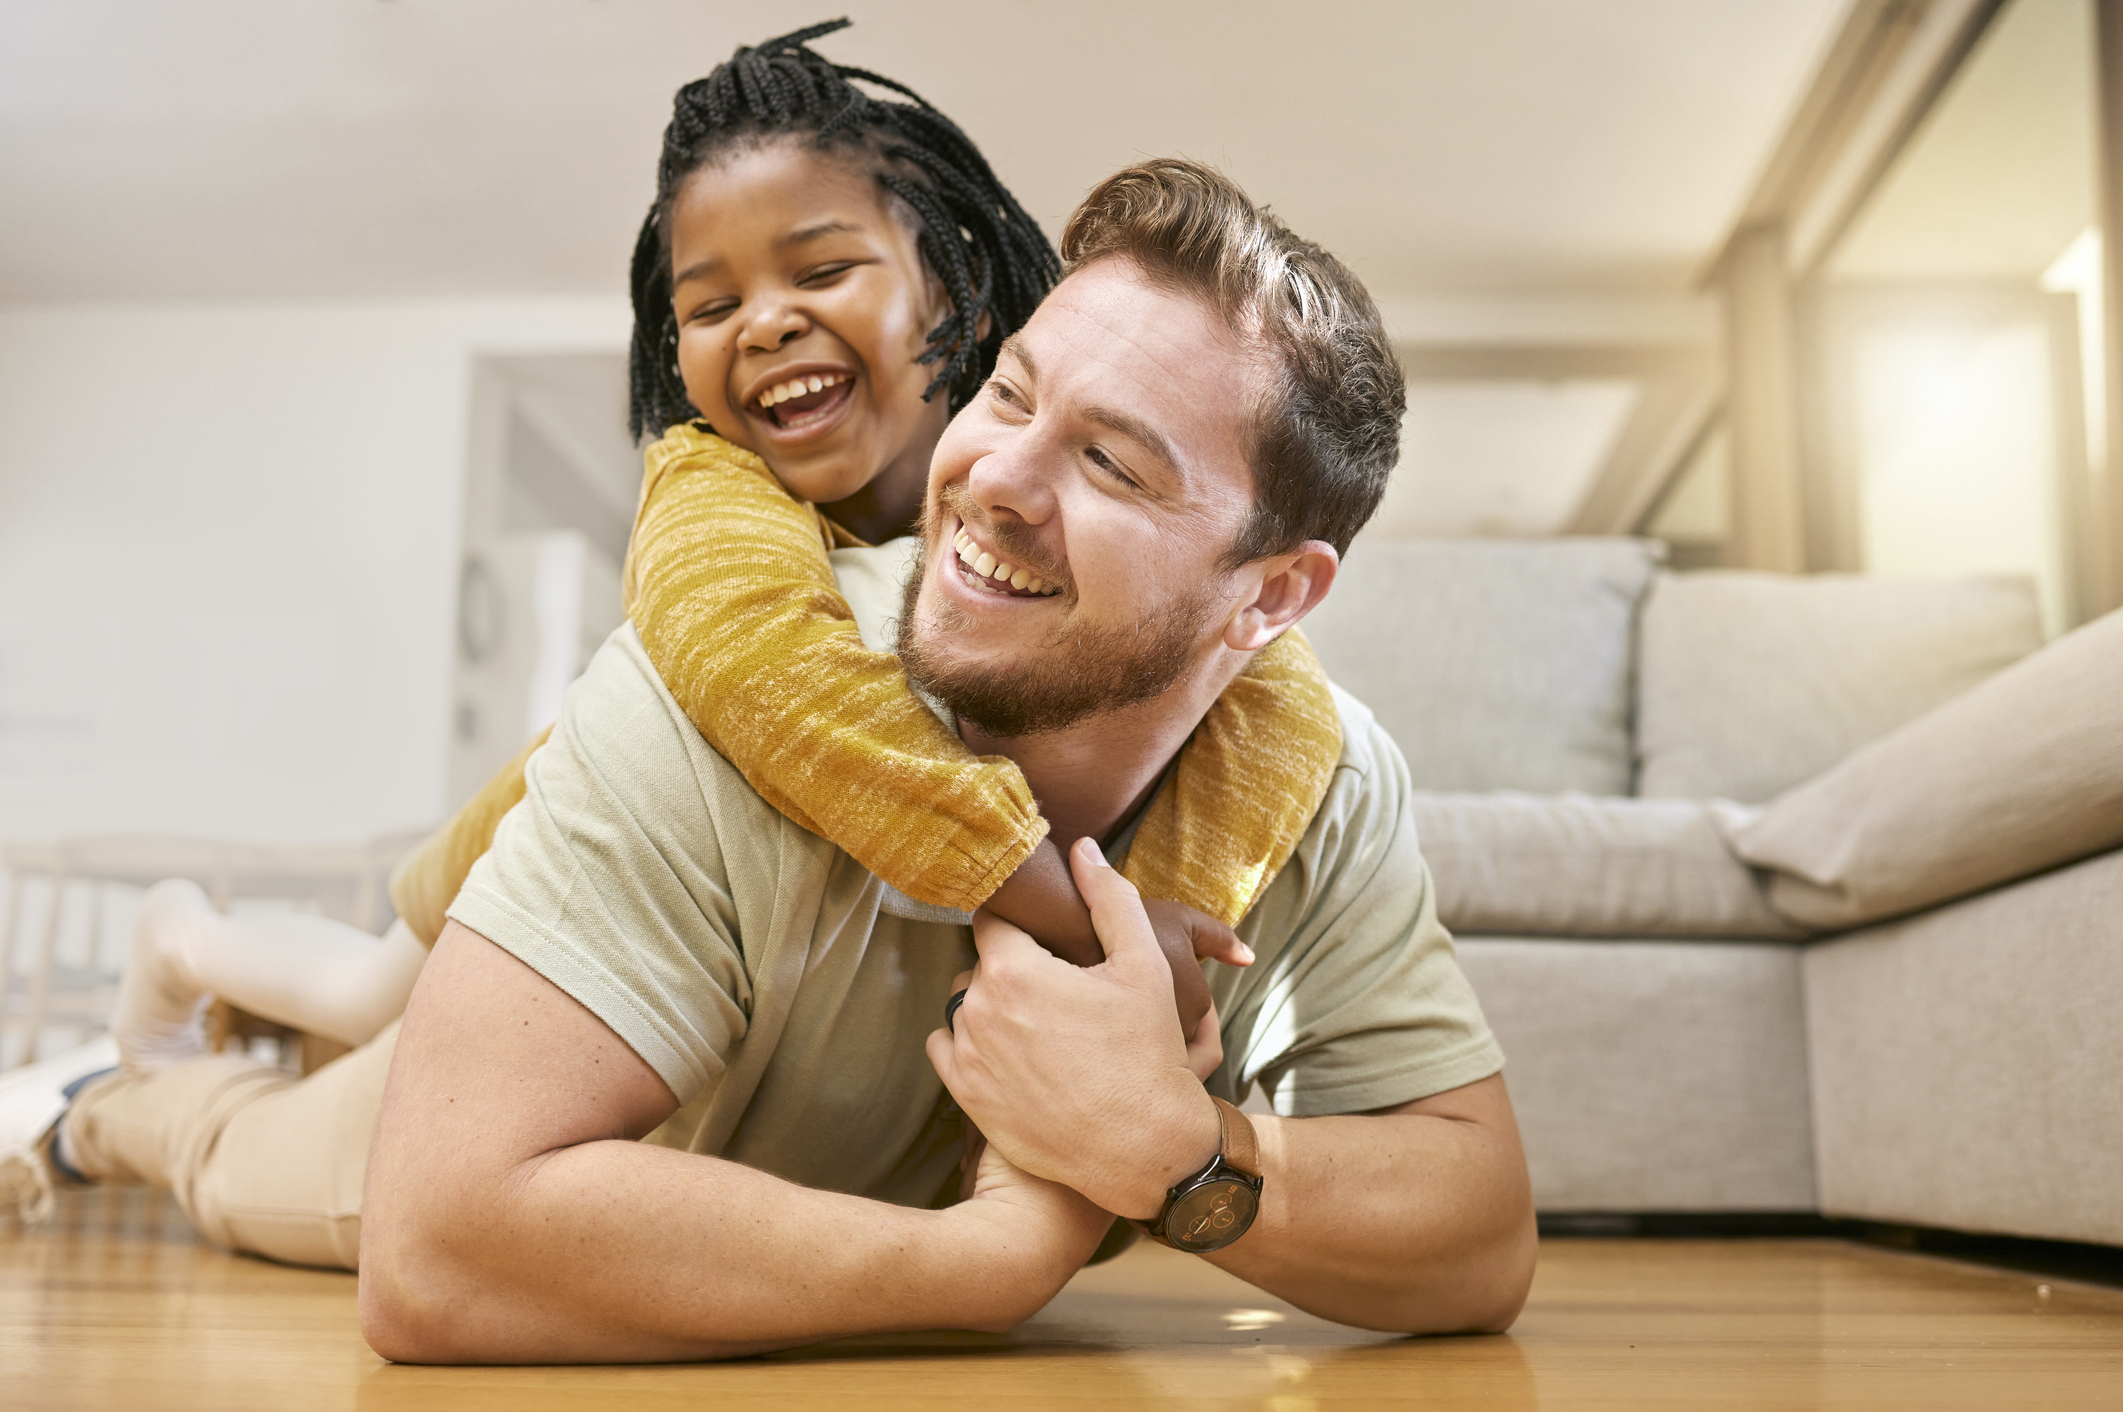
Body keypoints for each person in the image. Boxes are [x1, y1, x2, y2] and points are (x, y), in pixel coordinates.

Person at [0, 24, 1331, 1245]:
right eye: (707, 305)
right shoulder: (706, 489)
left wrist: (1178, 937)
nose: (764, 318)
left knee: (344, 1030)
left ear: (956, 283)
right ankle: (179, 939)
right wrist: (1091, 918)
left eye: (820, 268)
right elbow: (781, 692)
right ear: (672, 351)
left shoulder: (1015, 485)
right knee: (358, 1001)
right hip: (521, 837)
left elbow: (1268, 696)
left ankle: (185, 1025)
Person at [349, 158, 1536, 1363]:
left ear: (1271, 593)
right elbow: (431, 1246)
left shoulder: (1318, 779)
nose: (992, 479)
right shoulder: (733, 676)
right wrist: (989, 1262)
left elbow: (1480, 1237)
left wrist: (1183, 1149)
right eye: (1011, 395)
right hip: (407, 1115)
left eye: (1111, 463)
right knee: (221, 1135)